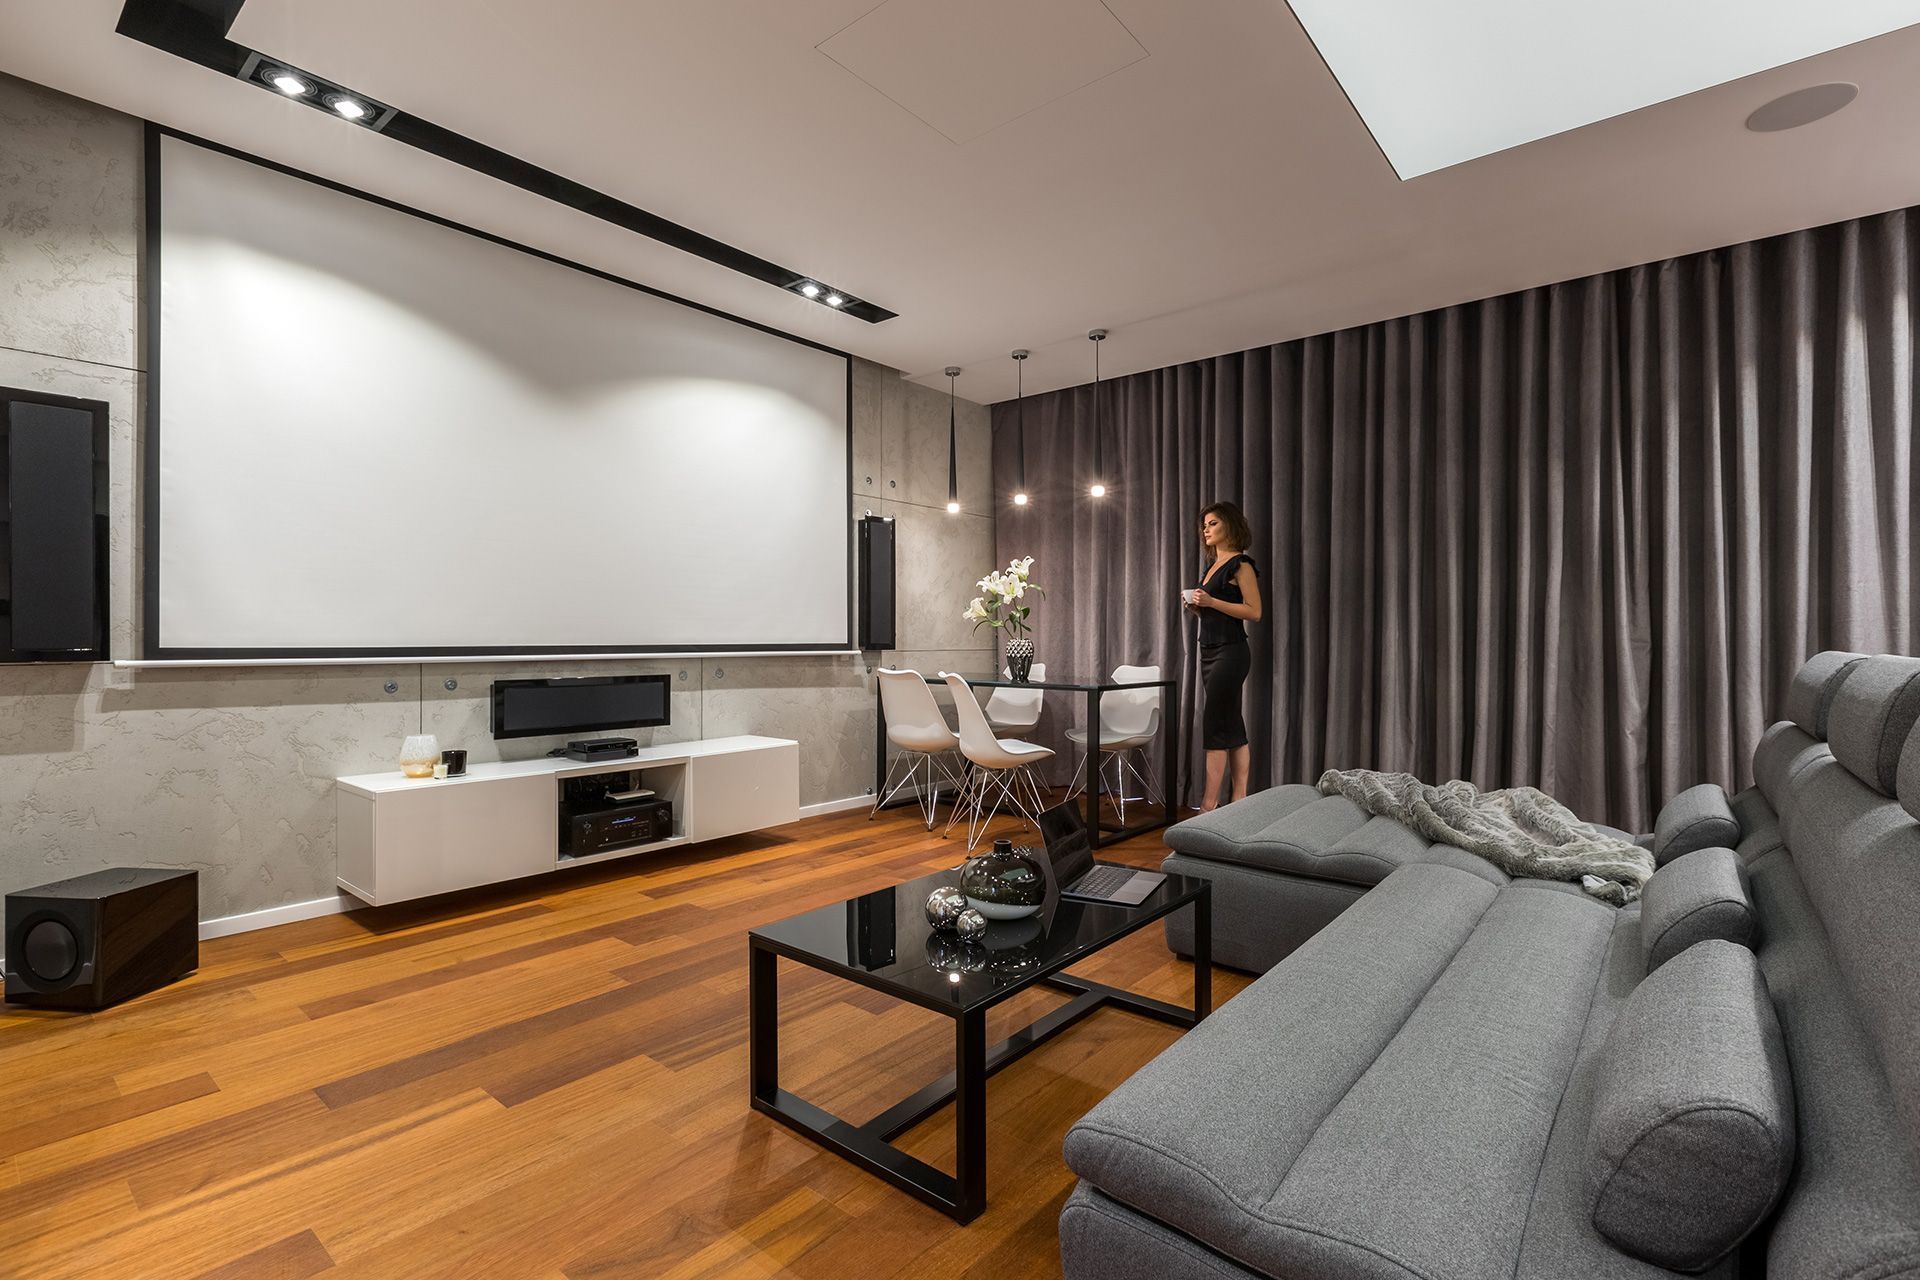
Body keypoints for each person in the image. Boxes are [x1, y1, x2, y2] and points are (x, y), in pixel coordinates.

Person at [1184, 501, 1262, 811]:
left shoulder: (1241, 564)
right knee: (1232, 725)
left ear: (1229, 525)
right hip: (1209, 651)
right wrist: (1198, 609)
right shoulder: (1212, 565)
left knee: (1216, 725)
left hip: (1231, 652)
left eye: (1213, 523)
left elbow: (1254, 612)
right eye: (1204, 525)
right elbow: (1216, 611)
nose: (1205, 529)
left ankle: (1208, 805)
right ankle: (1239, 800)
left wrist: (1212, 603)